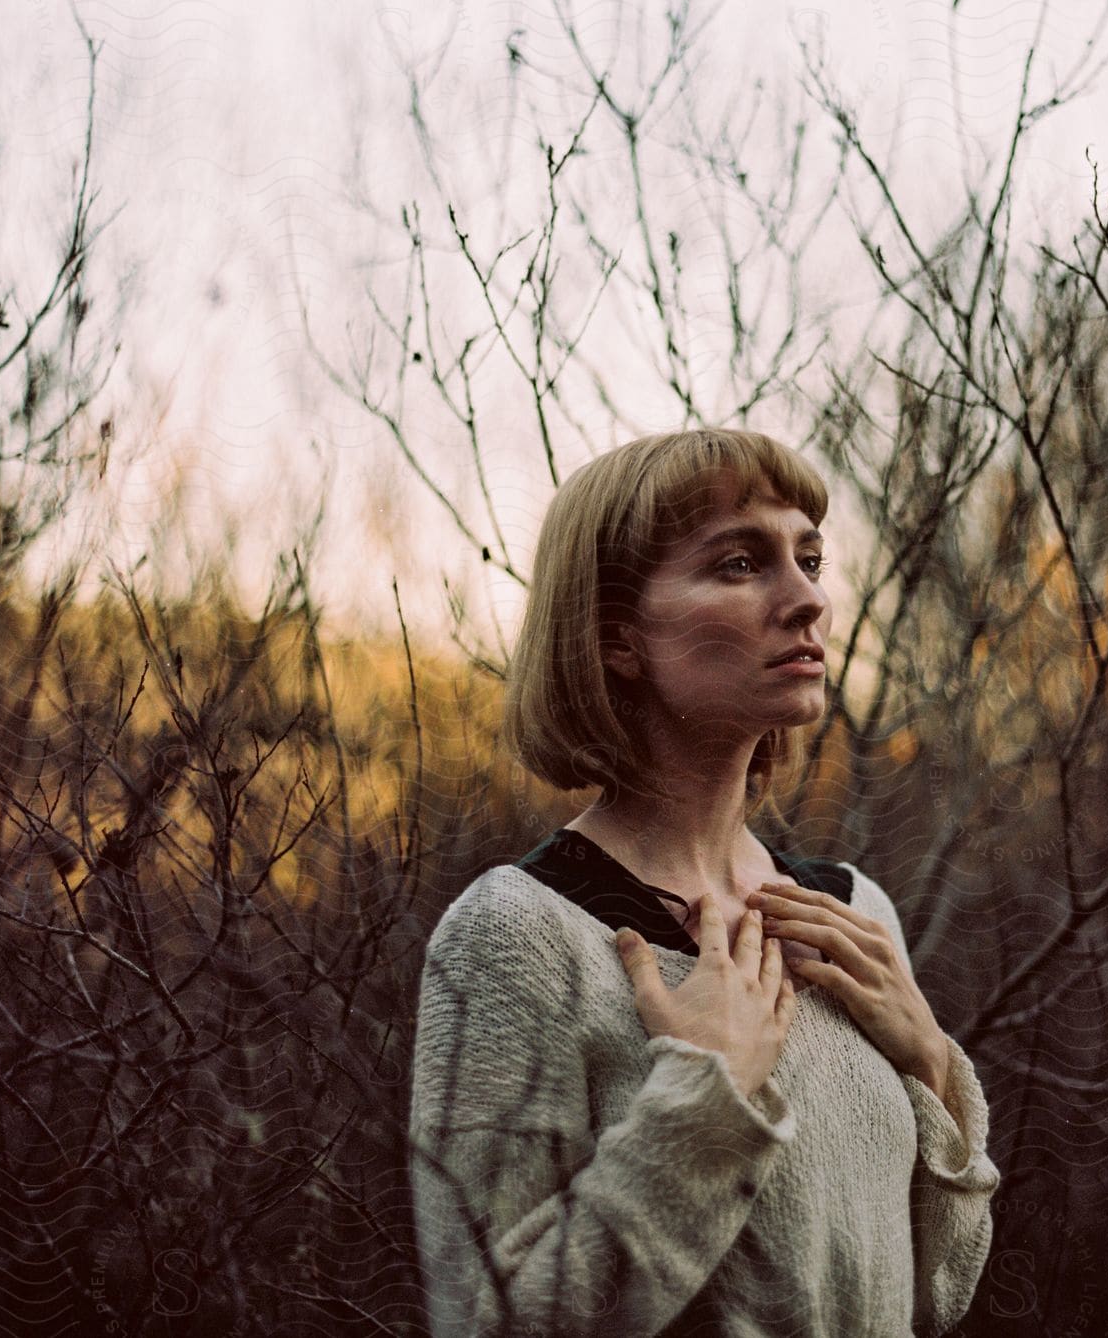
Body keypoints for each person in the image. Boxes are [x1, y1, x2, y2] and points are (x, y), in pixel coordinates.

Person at [409, 428, 1000, 1336]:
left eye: (809, 557)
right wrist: (704, 1104)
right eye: (740, 562)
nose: (808, 601)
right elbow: (487, 1319)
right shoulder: (516, 935)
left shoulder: (852, 912)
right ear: (618, 641)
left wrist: (928, 1066)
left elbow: (933, 1298)